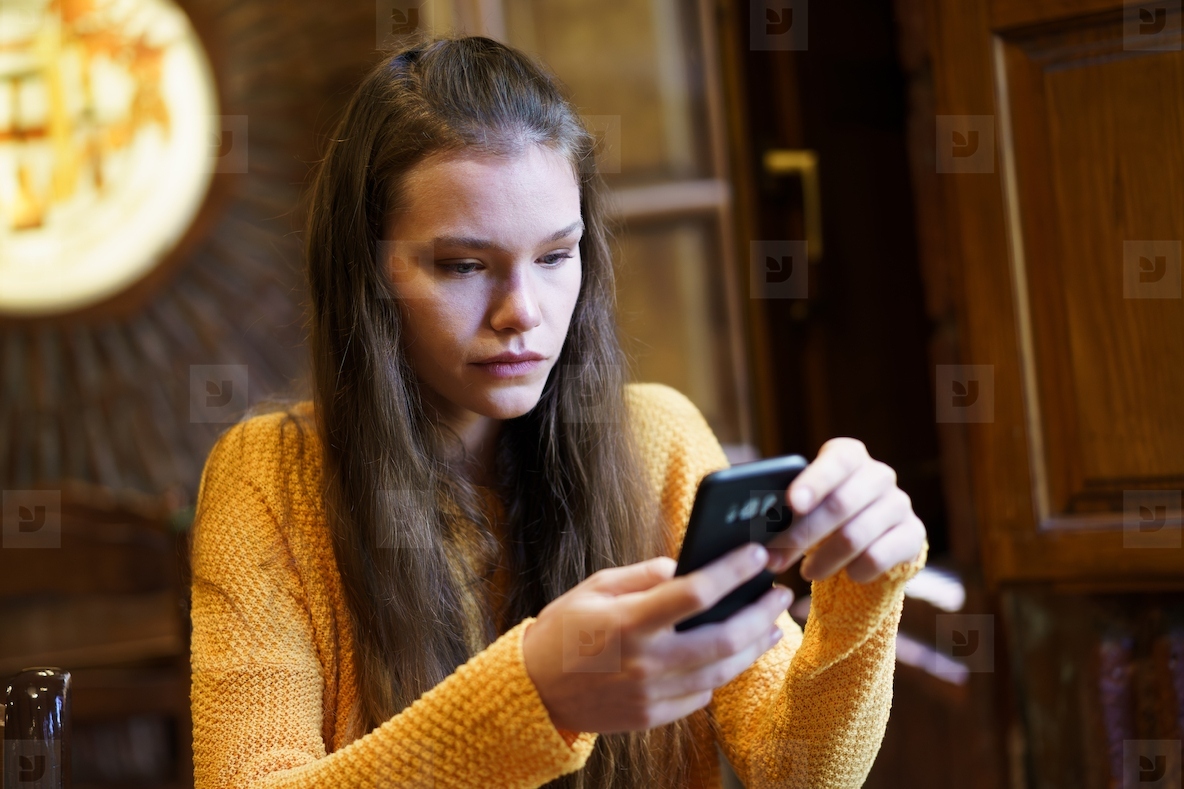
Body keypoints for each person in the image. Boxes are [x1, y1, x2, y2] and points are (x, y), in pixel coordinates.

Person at [188, 35, 928, 789]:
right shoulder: (269, 479)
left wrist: (862, 593)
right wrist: (535, 692)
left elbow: (798, 770)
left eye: (554, 256)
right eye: (464, 265)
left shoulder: (657, 440)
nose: (523, 312)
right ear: (367, 272)